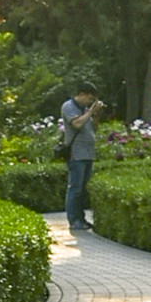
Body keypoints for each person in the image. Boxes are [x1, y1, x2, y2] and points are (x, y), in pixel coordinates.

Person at [61, 82, 103, 231]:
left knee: (83, 189)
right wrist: (91, 111)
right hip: (76, 154)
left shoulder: (85, 109)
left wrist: (96, 114)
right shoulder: (68, 107)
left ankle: (81, 219)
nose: (90, 102)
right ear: (82, 94)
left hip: (88, 154)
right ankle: (74, 220)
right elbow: (77, 124)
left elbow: (94, 128)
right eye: (89, 98)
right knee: (75, 188)